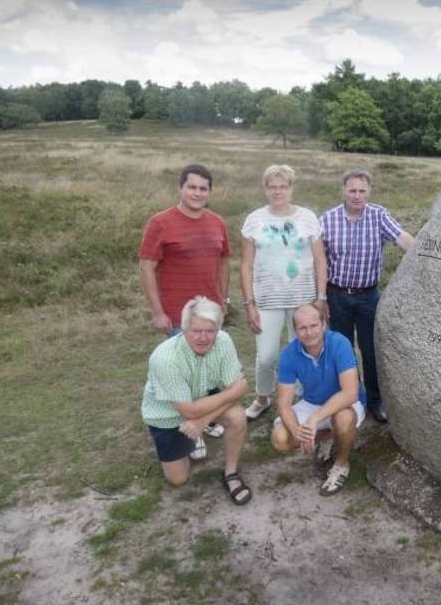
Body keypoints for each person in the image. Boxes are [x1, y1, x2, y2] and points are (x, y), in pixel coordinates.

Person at [139, 163, 232, 457]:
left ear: (210, 192)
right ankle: (192, 427)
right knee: (185, 374)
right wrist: (157, 312)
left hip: (211, 313)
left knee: (211, 367)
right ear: (181, 188)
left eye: (203, 188)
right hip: (179, 316)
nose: (197, 193)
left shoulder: (217, 222)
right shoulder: (160, 222)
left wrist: (224, 300)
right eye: (192, 187)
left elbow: (224, 261)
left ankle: (211, 417)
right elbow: (147, 266)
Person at [319, 168, 414, 424]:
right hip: (336, 295)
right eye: (352, 190)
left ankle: (375, 399)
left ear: (368, 191)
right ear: (344, 190)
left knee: (371, 350)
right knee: (343, 350)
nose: (357, 196)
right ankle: (352, 397)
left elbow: (401, 238)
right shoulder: (327, 220)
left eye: (362, 190)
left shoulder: (378, 215)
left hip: (368, 297)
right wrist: (321, 298)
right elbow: (318, 261)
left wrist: (422, 253)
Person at [139, 297, 251, 505]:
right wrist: (233, 392)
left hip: (202, 403)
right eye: (196, 331)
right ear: (183, 329)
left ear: (218, 329)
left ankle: (231, 473)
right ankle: (187, 440)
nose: (203, 338)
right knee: (178, 479)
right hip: (167, 415)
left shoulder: (224, 340)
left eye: (210, 331)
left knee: (237, 417)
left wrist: (202, 421)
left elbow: (237, 390)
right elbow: (190, 410)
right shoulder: (165, 358)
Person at [239, 165, 327, 423]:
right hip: (267, 299)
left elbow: (320, 259)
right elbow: (246, 264)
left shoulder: (308, 217)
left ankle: (301, 395)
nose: (277, 192)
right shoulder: (254, 220)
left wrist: (321, 297)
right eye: (272, 187)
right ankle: (263, 397)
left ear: (291, 188)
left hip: (303, 299)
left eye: (283, 186)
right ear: (265, 189)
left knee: (301, 348)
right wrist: (249, 304)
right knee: (266, 356)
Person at [269, 304, 367, 496]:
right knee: (280, 439)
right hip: (312, 401)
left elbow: (350, 393)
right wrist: (298, 432)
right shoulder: (289, 352)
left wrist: (314, 420)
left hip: (344, 402)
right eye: (302, 328)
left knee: (344, 419)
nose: (309, 332)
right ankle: (328, 436)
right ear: (295, 330)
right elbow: (283, 403)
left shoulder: (339, 343)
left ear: (323, 324)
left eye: (314, 325)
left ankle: (341, 464)